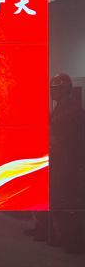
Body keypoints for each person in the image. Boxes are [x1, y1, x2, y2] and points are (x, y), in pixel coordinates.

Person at [48, 73, 85, 253]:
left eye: (57, 89)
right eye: (52, 89)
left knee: (67, 201)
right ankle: (62, 236)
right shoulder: (59, 108)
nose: (53, 92)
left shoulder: (73, 110)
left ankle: (73, 241)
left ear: (66, 90)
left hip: (69, 164)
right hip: (59, 161)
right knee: (57, 199)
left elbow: (71, 140)